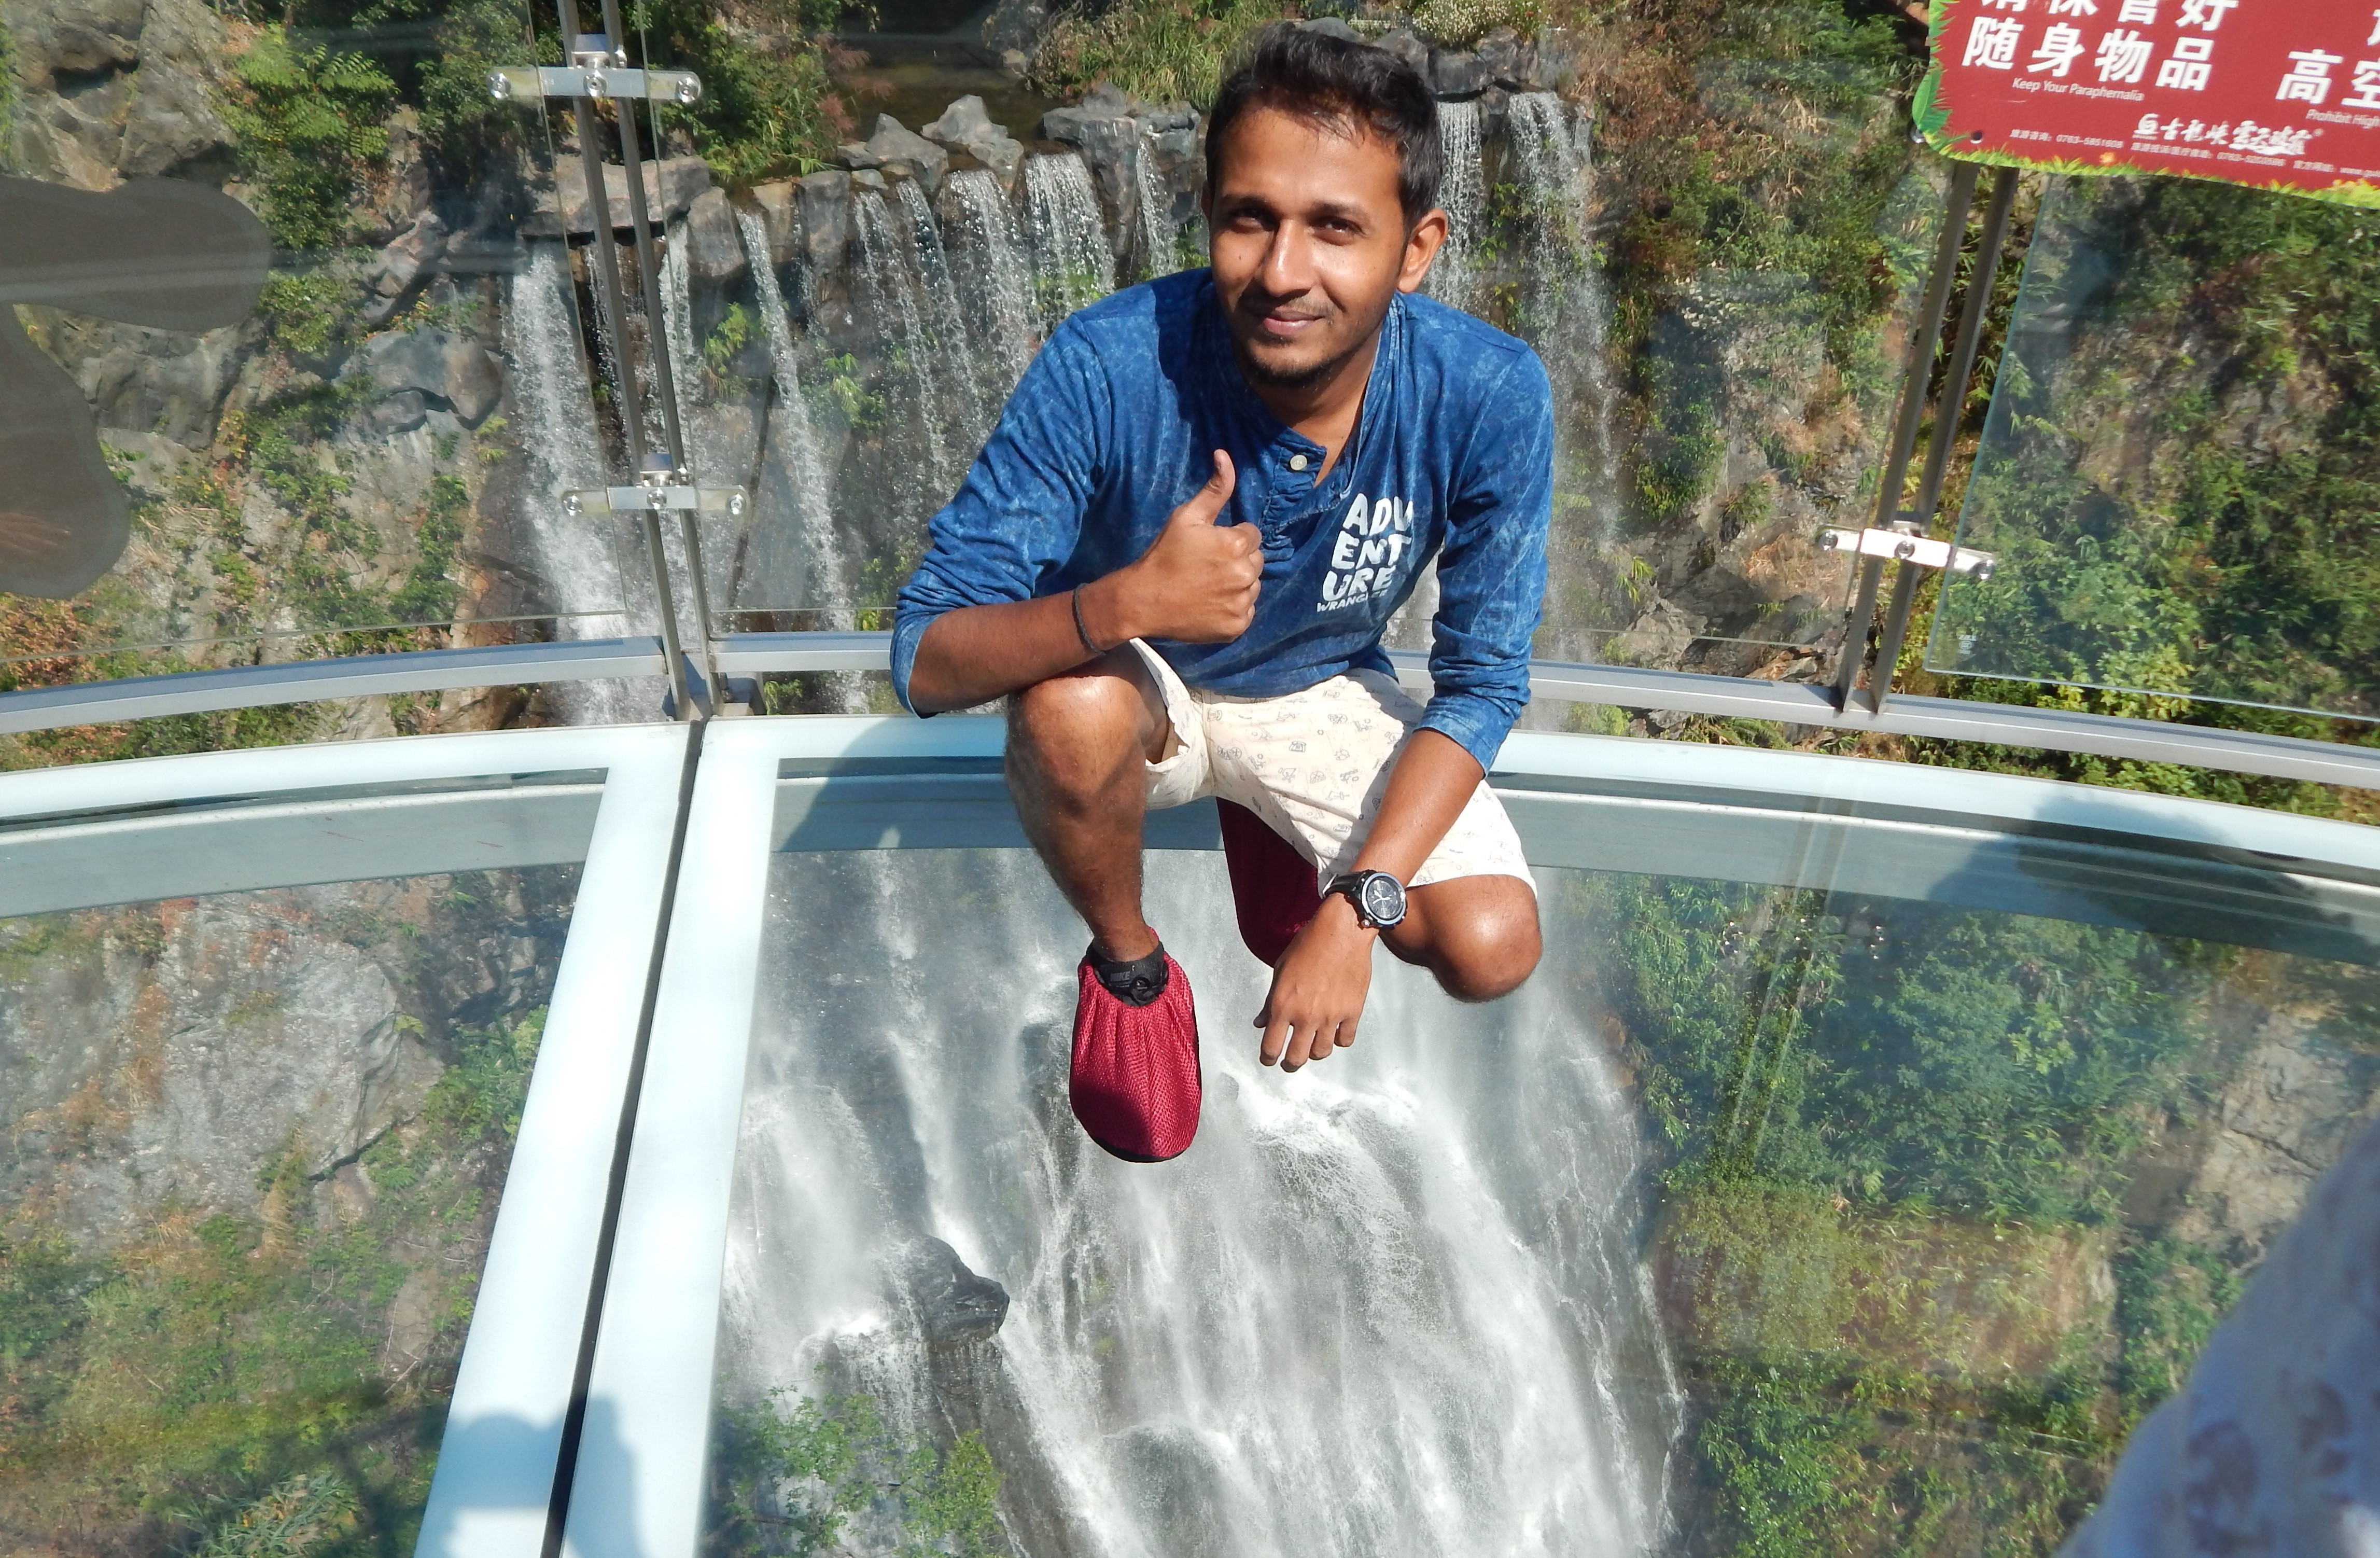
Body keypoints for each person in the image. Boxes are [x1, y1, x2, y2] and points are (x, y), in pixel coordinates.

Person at [892, 23, 1553, 1162]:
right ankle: (1131, 963)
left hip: (1319, 684)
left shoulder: (1486, 391)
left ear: (1416, 248)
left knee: (1490, 945)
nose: (1283, 271)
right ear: (1207, 213)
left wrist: (1358, 907)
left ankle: (1277, 834)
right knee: (1068, 706)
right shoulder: (1108, 363)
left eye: (1335, 227)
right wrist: (1125, 605)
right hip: (1140, 686)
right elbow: (922, 656)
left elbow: (1485, 681)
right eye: (1250, 218)